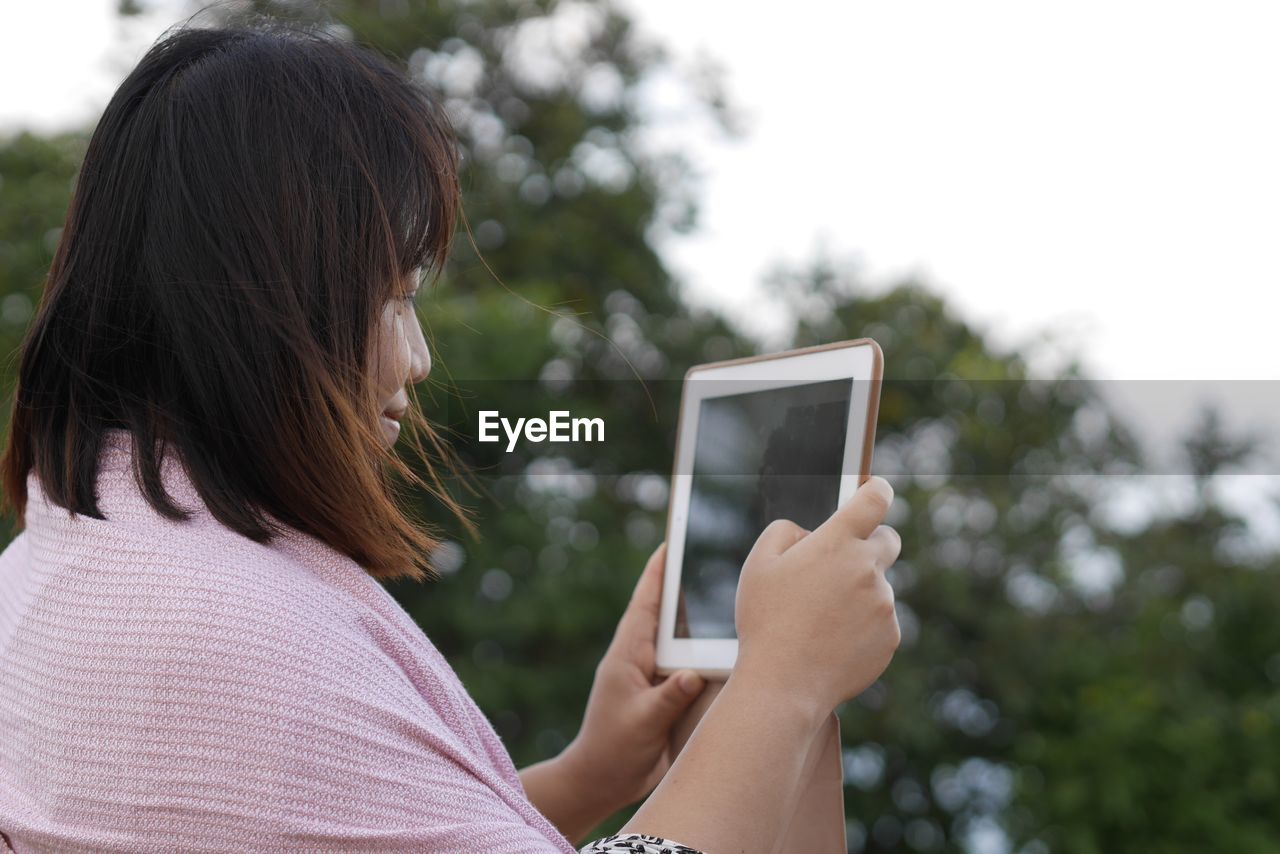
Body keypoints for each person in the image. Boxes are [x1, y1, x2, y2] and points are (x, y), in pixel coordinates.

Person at [0, 19, 902, 854]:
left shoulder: (66, 561)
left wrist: (586, 778)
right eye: (392, 295)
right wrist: (784, 684)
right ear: (263, 304)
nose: (418, 356)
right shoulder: (226, 638)